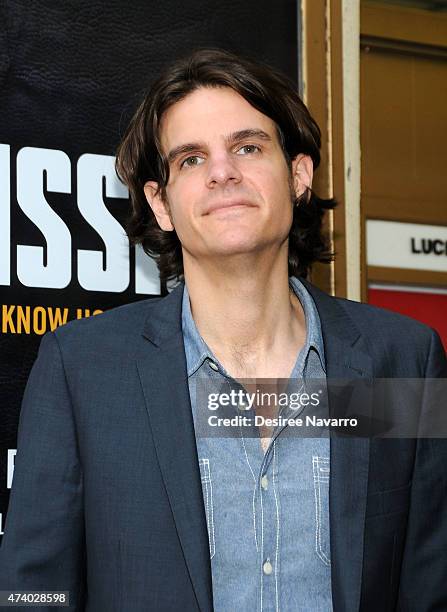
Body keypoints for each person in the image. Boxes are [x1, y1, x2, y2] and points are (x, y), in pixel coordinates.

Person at [0, 49, 445, 612]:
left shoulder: (402, 358)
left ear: (299, 175)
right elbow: (32, 592)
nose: (222, 172)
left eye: (248, 147)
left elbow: (429, 584)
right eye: (190, 159)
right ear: (159, 205)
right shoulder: (82, 370)